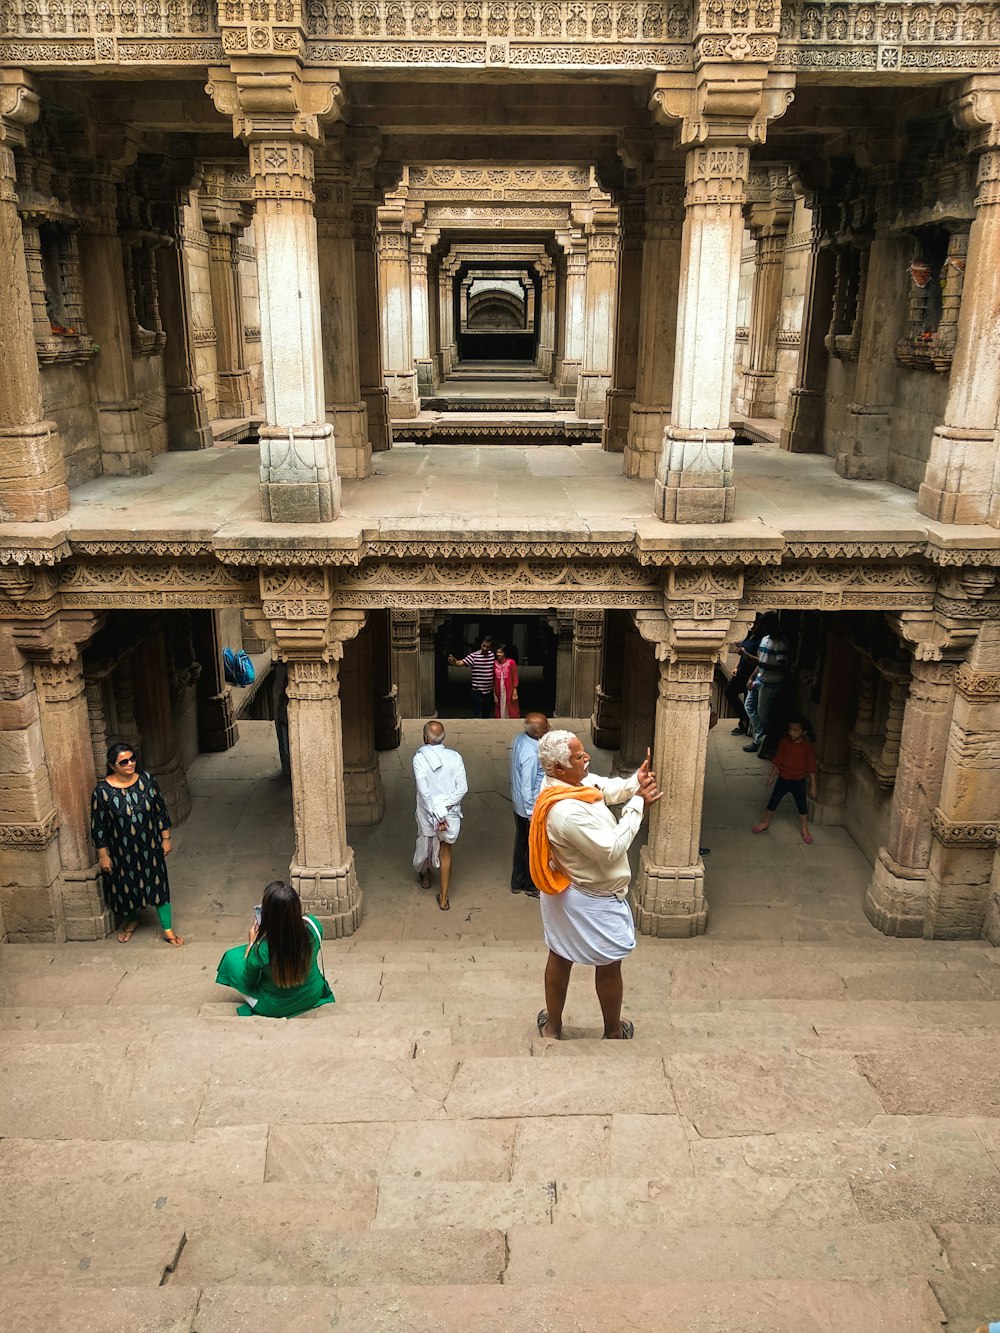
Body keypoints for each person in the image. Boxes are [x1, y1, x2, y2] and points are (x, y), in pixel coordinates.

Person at [529, 730, 660, 1041]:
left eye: (583, 751)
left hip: (573, 888)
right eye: (578, 757)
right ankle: (610, 1032)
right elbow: (611, 849)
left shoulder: (573, 784)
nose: (586, 758)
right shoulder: (564, 811)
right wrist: (638, 804)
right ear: (558, 769)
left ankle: (554, 1027)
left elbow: (604, 788)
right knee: (606, 961)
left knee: (561, 954)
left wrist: (634, 783)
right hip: (586, 895)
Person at [91, 742, 183, 947]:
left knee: (158, 884)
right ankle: (131, 920)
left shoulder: (147, 781)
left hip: (149, 846)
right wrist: (103, 854)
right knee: (124, 886)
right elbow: (98, 826)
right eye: (124, 761)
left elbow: (160, 811)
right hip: (120, 850)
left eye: (132, 759)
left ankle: (167, 929)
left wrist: (165, 838)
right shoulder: (102, 791)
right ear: (113, 765)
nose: (130, 763)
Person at [215, 880, 334, 1017]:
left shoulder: (262, 949)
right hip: (312, 994)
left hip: (275, 1006)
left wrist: (251, 944)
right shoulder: (314, 927)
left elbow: (246, 981)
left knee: (231, 958)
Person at [412, 720, 469, 911]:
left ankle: (426, 877)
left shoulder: (419, 758)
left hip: (429, 811)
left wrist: (436, 811)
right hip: (449, 813)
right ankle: (444, 899)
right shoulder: (455, 757)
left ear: (425, 738)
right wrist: (444, 809)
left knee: (427, 842)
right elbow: (462, 789)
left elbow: (424, 791)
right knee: (446, 853)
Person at [752, 716, 818, 843]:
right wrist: (771, 777)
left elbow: (811, 765)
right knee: (773, 801)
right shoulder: (784, 742)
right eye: (791, 730)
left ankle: (805, 828)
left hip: (799, 781)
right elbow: (778, 760)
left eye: (796, 730)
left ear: (803, 732)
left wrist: (813, 785)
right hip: (783, 778)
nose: (792, 733)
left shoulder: (806, 746)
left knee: (802, 805)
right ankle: (765, 822)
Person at [510, 711, 549, 898]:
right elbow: (527, 785)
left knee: (522, 842)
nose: (549, 728)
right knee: (534, 846)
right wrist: (531, 812)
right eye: (545, 727)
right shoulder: (532, 754)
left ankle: (517, 881)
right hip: (529, 807)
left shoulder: (520, 739)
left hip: (518, 804)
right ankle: (531, 884)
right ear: (536, 733)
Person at [744, 613, 789, 756]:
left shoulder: (781, 643)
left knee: (763, 713)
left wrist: (751, 658)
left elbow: (783, 666)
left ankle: (762, 741)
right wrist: (751, 677)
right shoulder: (764, 639)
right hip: (760, 679)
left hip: (771, 683)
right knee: (749, 706)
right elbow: (761, 663)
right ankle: (760, 738)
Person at [725, 617, 764, 736]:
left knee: (749, 702)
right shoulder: (747, 636)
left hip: (751, 674)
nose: (753, 626)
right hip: (741, 672)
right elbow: (741, 654)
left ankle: (746, 726)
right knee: (729, 693)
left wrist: (746, 654)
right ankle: (743, 719)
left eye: (756, 624)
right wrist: (736, 666)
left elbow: (760, 661)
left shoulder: (760, 640)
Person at [447, 636, 495, 718]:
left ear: (490, 647)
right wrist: (454, 662)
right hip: (477, 691)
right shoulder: (474, 656)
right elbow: (460, 663)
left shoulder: (492, 655)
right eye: (483, 645)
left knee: (486, 714)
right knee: (477, 714)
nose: (485, 648)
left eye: (487, 647)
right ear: (481, 644)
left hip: (488, 691)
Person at [493, 643, 520, 719]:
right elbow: (493, 679)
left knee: (511, 705)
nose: (498, 654)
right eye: (497, 652)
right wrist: (494, 692)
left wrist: (515, 691)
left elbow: (515, 677)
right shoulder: (494, 663)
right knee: (499, 704)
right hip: (499, 689)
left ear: (505, 653)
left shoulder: (511, 663)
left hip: (509, 688)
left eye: (501, 652)